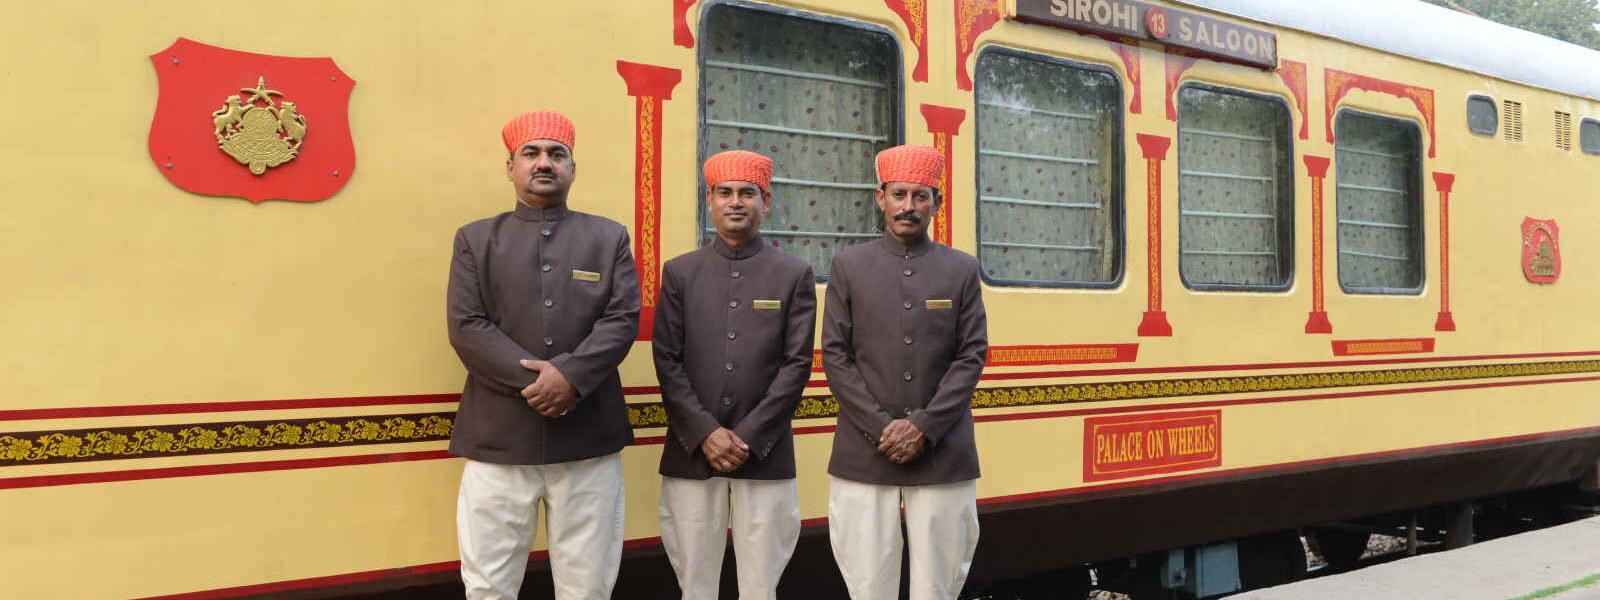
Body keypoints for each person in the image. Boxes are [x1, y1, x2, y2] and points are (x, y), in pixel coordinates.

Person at [446, 109, 640, 600]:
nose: (544, 163)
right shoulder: (476, 239)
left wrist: (570, 378)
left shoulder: (608, 237)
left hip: (588, 439)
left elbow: (621, 320)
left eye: (557, 154)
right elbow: (467, 326)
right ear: (509, 167)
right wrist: (541, 382)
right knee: (488, 582)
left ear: (573, 167)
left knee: (588, 583)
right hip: (498, 440)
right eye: (530, 153)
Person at [821, 144, 989, 600]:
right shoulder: (849, 266)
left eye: (920, 196)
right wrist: (882, 428)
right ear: (880, 199)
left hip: (943, 450)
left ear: (937, 203)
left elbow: (971, 355)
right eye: (898, 195)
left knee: (938, 584)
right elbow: (835, 355)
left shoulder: (960, 269)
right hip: (863, 449)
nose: (908, 207)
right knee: (866, 582)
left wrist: (924, 427)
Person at [654, 150, 817, 600]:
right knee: (694, 580)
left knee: (761, 584)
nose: (736, 202)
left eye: (748, 193)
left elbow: (796, 364)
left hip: (764, 451)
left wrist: (746, 435)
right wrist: (705, 432)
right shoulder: (681, 272)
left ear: (767, 201)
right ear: (710, 200)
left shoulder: (793, 274)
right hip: (691, 451)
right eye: (724, 192)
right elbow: (667, 360)